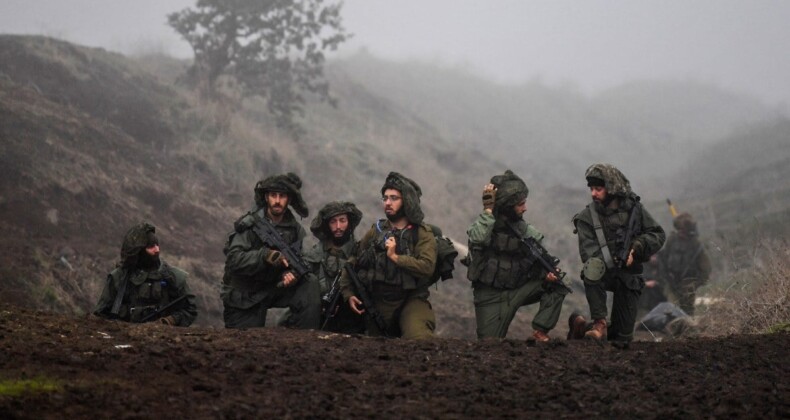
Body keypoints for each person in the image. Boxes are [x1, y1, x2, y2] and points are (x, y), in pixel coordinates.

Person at [466, 170, 568, 342]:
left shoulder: (526, 232)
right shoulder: (484, 226)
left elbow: (537, 263)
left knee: (559, 283)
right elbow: (477, 237)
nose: (525, 208)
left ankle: (540, 331)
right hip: (489, 297)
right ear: (507, 205)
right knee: (489, 345)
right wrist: (488, 211)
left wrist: (547, 275)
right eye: (520, 204)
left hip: (516, 290)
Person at [571, 163, 666, 348]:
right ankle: (599, 323)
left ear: (612, 188)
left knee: (621, 339)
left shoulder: (634, 209)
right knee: (592, 266)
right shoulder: (586, 217)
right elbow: (588, 253)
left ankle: (581, 327)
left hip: (628, 275)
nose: (593, 194)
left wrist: (637, 248)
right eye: (591, 189)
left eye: (598, 189)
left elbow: (658, 234)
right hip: (602, 273)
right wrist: (611, 257)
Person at [339, 172, 437, 339]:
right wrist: (348, 293)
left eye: (394, 198)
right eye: (385, 198)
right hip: (377, 302)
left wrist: (396, 257)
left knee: (419, 339)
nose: (388, 203)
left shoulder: (422, 234)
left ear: (406, 201)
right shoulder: (376, 231)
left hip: (410, 300)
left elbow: (427, 267)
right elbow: (353, 262)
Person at [220, 172, 321, 329]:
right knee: (247, 344)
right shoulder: (251, 224)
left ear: (289, 199)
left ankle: (304, 339)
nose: (278, 201)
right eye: (273, 195)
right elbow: (233, 259)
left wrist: (291, 275)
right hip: (246, 293)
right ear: (266, 197)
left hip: (273, 286)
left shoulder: (295, 229)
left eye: (282, 196)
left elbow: (294, 260)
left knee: (310, 283)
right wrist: (265, 256)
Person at [282, 201, 366, 333]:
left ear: (349, 222)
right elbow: (301, 270)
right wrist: (291, 275)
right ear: (327, 225)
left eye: (342, 220)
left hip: (349, 316)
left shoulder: (359, 253)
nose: (338, 226)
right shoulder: (316, 252)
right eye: (333, 222)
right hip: (318, 313)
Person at [94, 222, 197, 326]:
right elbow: (100, 315)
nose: (157, 250)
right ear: (139, 251)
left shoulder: (173, 277)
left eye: (157, 245)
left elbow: (190, 310)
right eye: (151, 246)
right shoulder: (119, 278)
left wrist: (170, 321)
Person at [658, 212, 711, 316]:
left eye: (683, 231)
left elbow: (706, 269)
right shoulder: (672, 239)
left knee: (687, 312)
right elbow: (663, 258)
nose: (680, 233)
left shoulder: (696, 245)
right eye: (679, 230)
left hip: (688, 285)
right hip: (672, 282)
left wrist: (695, 284)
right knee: (672, 310)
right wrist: (665, 277)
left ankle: (688, 330)